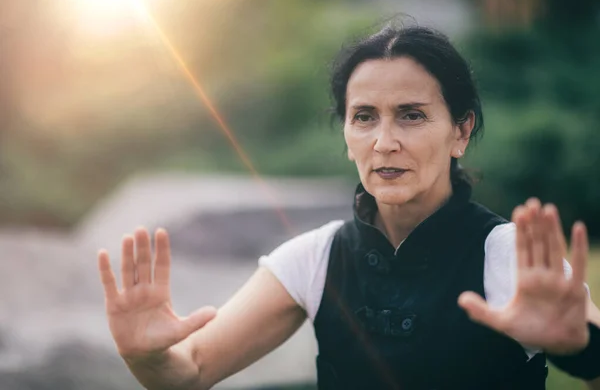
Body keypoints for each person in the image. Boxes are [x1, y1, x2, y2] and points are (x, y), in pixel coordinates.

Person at [97, 24, 600, 389]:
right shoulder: (313, 258)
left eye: (411, 115)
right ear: (345, 134)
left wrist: (578, 348)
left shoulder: (509, 255)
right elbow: (191, 371)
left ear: (461, 131)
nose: (384, 141)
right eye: (364, 117)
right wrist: (145, 356)